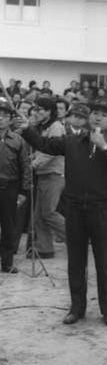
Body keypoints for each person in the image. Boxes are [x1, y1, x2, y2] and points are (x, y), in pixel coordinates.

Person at [19, 99, 107, 326]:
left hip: (102, 209)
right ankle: (76, 308)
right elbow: (45, 144)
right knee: (76, 262)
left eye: (104, 115)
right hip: (76, 208)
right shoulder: (73, 140)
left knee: (104, 261)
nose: (98, 117)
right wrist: (26, 129)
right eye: (95, 113)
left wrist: (104, 147)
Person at [30, 97, 66, 259]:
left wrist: (34, 164)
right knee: (39, 215)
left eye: (40, 110)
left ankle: (77, 237)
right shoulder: (42, 127)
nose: (36, 112)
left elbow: (51, 151)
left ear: (49, 111)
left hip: (54, 174)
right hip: (44, 174)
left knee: (49, 213)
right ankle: (45, 249)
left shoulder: (56, 126)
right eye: (35, 109)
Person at [0, 101, 31, 273]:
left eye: (4, 116)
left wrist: (23, 191)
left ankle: (7, 263)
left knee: (8, 226)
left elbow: (25, 166)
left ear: (10, 119)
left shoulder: (18, 140)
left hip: (10, 187)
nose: (0, 118)